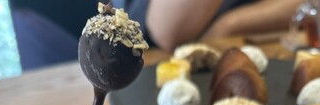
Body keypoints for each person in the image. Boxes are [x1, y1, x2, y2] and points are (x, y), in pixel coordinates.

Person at [112, 0, 301, 51]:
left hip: (244, 51)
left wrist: (229, 25)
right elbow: (167, 30)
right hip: (140, 65)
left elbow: (310, 6)